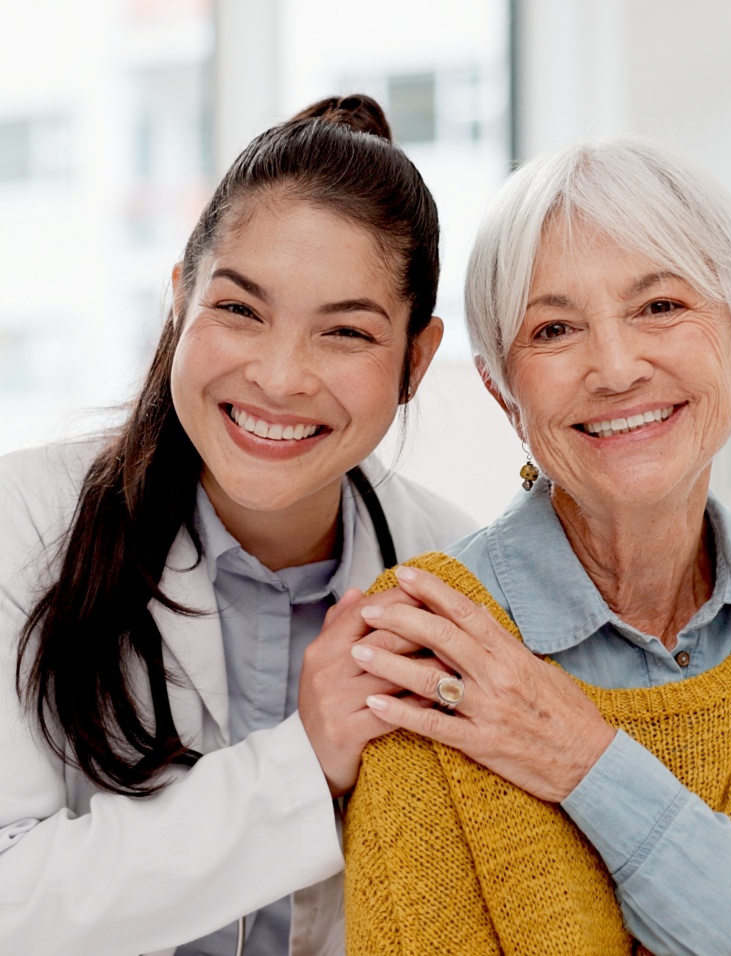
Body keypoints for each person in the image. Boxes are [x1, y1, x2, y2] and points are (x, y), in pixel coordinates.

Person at [343, 138, 731, 955]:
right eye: (554, 329)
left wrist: (588, 762)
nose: (614, 368)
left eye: (660, 307)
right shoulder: (431, 644)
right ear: (502, 391)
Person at [0, 95, 475, 956]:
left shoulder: (456, 576)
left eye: (346, 332)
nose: (281, 376)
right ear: (179, 300)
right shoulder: (19, 526)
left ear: (418, 358)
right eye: (240, 310)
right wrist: (307, 761)